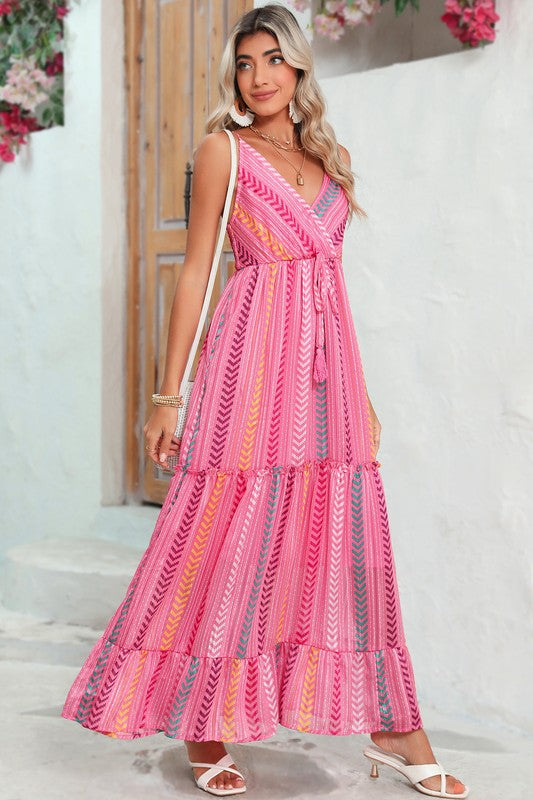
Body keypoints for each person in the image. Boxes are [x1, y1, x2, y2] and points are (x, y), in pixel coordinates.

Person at [61, 4, 468, 798]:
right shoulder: (224, 150)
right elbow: (194, 271)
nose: (258, 77)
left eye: (272, 60)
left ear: (299, 67)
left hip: (326, 379)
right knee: (226, 541)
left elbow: (330, 286)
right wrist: (165, 396)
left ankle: (390, 727)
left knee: (340, 550)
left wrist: (361, 392)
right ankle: (203, 723)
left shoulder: (330, 156)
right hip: (249, 366)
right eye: (244, 63)